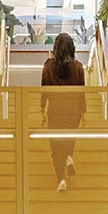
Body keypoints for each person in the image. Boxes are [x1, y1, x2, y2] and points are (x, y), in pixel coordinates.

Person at [40, 32, 86, 192]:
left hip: (55, 110)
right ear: (71, 48)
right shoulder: (79, 67)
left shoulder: (48, 66)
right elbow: (81, 92)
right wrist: (83, 112)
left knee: (55, 145)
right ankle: (68, 156)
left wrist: (41, 109)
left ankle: (61, 180)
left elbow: (44, 89)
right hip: (73, 111)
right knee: (69, 136)